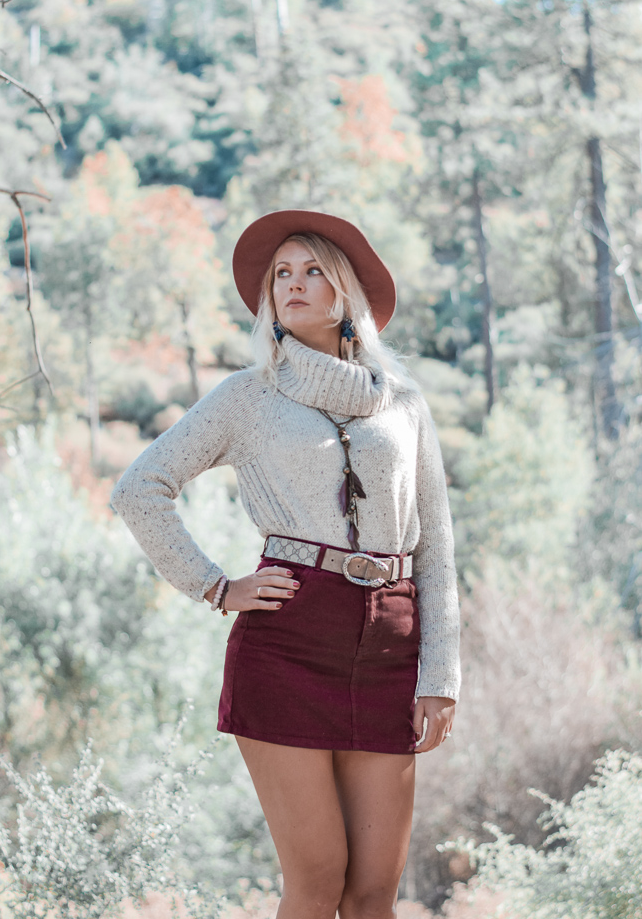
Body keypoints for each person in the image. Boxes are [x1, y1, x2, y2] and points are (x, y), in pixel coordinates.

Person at [111, 209, 460, 919]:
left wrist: (440, 675)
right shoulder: (248, 396)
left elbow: (436, 547)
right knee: (317, 883)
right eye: (281, 274)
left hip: (391, 645)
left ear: (346, 292)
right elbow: (139, 487)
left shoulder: (403, 404)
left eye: (312, 271)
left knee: (373, 894)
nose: (292, 285)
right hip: (288, 643)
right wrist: (215, 586)